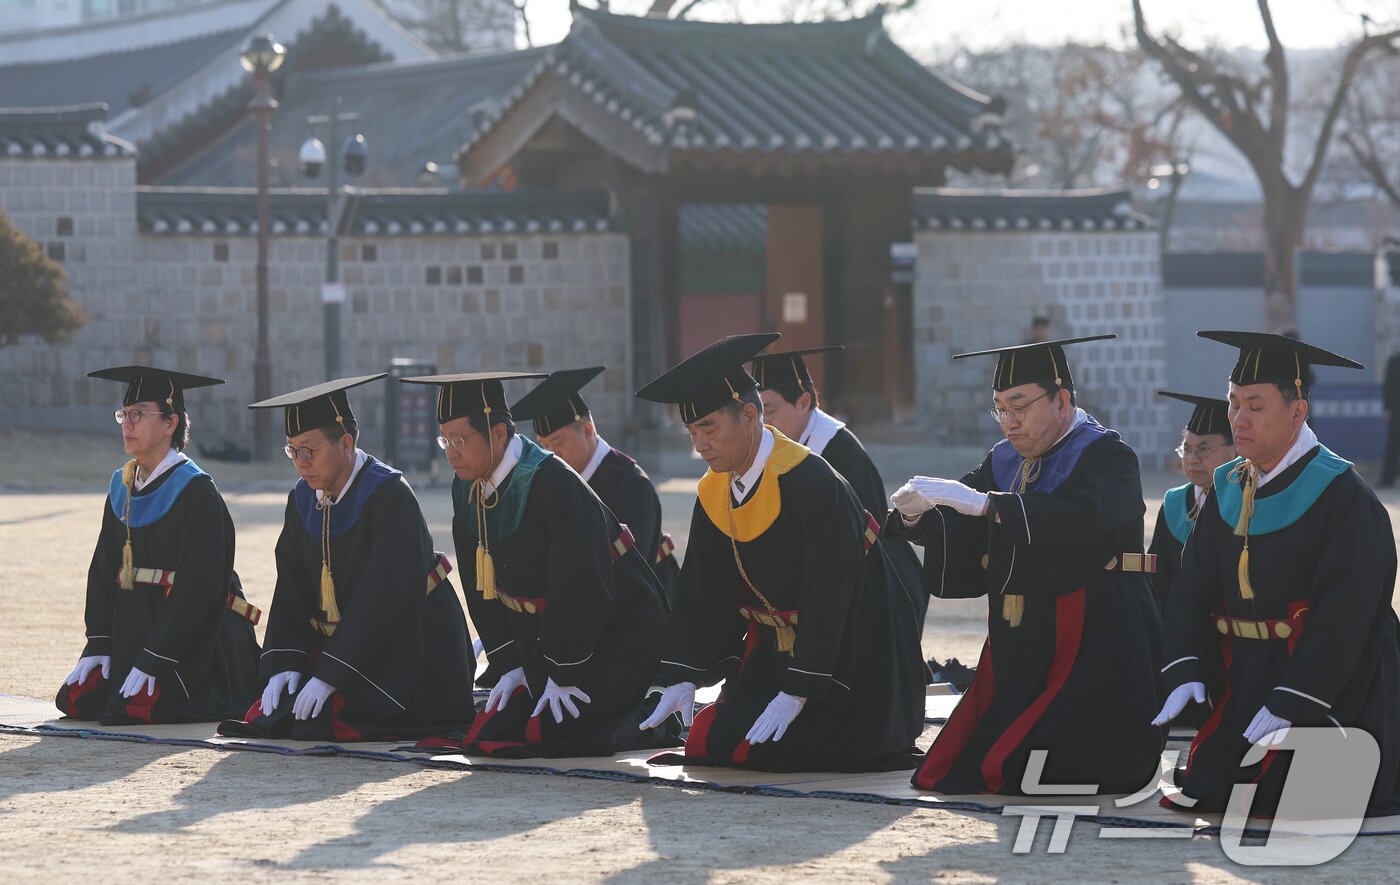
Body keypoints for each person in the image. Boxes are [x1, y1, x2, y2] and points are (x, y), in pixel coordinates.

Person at [887, 335, 1166, 795]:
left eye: (1019, 407)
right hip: (1023, 632)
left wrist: (992, 507)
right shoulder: (1003, 459)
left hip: (1097, 628)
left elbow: (1083, 520)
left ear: (1062, 401)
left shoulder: (1107, 455)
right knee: (961, 766)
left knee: (1043, 765)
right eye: (999, 409)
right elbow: (963, 520)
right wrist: (916, 515)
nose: (1009, 422)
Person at [636, 333, 926, 772]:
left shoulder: (813, 481)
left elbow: (831, 594)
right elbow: (703, 588)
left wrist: (798, 689)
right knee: (708, 743)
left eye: (709, 429)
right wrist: (683, 674)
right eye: (692, 432)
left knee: (767, 753)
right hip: (775, 651)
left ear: (749, 415)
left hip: (851, 656)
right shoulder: (714, 489)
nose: (700, 445)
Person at [1152, 331, 1400, 816]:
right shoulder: (1228, 486)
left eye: (1255, 405)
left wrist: (1296, 697)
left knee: (1293, 795)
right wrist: (1184, 665)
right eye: (1233, 402)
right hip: (1248, 678)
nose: (1238, 419)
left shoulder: (1344, 496)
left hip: (1333, 684)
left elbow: (1347, 617)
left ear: (1297, 411)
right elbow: (1191, 589)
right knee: (1210, 788)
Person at [402, 371, 670, 757]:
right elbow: (481, 589)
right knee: (492, 730)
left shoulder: (552, 481)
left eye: (460, 439)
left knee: (562, 735)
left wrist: (564, 671)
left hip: (615, 631)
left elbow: (583, 586)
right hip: (549, 639)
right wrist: (511, 664)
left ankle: (653, 722)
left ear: (498, 433)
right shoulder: (467, 488)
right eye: (445, 440)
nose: (451, 453)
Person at [223, 374, 474, 741]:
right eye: (292, 451)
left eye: (308, 450)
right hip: (350, 644)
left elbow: (382, 601)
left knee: (323, 719)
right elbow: (292, 587)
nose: (300, 462)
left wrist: (329, 675)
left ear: (346, 442)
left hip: (411, 642)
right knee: (277, 712)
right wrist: (284, 661)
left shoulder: (389, 495)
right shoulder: (302, 498)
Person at [751, 345, 965, 688]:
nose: (765, 423)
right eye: (758, 413)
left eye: (771, 410)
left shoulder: (837, 452)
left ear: (804, 402)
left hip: (879, 576)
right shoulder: (779, 447)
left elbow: (856, 541)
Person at [57, 366, 260, 724]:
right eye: (124, 414)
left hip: (193, 643)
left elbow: (200, 589)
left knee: (136, 709)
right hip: (135, 631)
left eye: (138, 414)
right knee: (77, 701)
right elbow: (103, 568)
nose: (127, 423)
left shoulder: (197, 491)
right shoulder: (122, 486)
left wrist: (158, 657)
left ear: (170, 423)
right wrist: (99, 642)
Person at [510, 365, 679, 604]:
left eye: (558, 442)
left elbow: (630, 572)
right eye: (544, 445)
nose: (552, 453)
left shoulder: (632, 485)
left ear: (588, 430)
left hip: (643, 605)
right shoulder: (552, 483)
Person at [1146, 391, 1236, 614]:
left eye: (1204, 449)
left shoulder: (1248, 503)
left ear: (1236, 450)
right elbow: (1158, 583)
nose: (1192, 459)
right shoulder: (1175, 504)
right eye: (1187, 449)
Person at [1382, 350, 1400, 488]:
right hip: (1397, 409)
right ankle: (1388, 478)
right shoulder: (1394, 361)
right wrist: (1387, 407)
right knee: (1393, 444)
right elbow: (1388, 385)